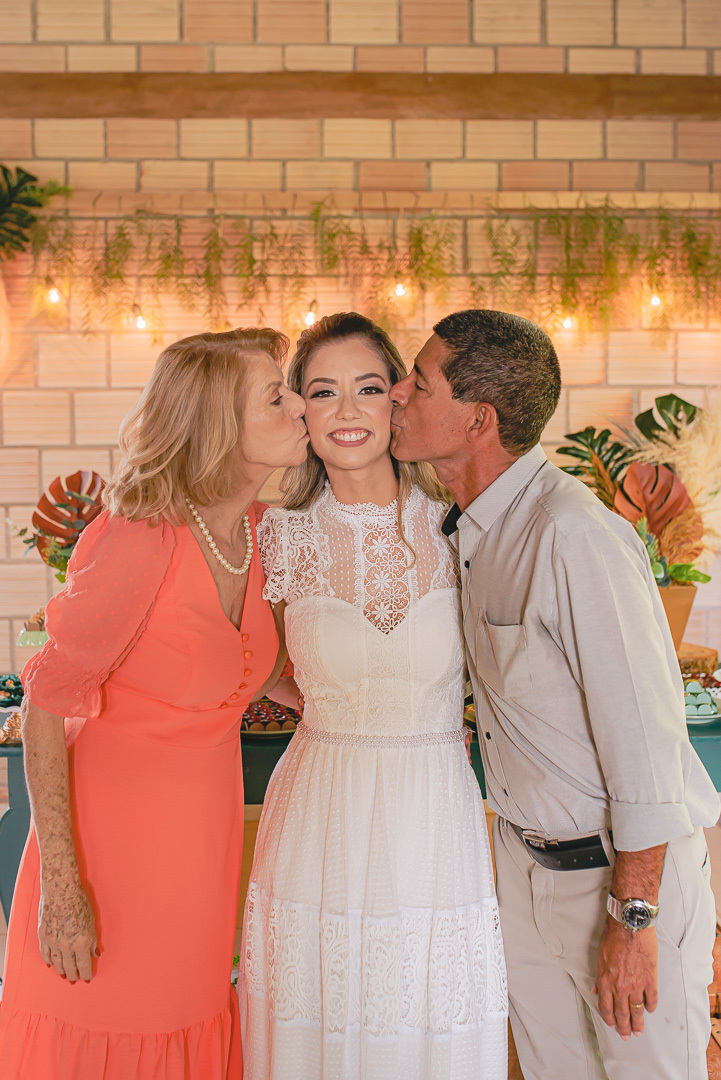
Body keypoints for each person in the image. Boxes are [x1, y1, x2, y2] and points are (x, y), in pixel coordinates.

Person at [389, 307, 720, 1080]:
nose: (398, 394)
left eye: (418, 382)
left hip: (615, 884)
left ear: (478, 420)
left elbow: (646, 749)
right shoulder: (464, 530)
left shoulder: (573, 536)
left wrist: (632, 920)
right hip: (521, 870)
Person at [0, 328, 309, 1079]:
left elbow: (267, 671)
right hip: (106, 854)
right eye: (275, 398)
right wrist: (62, 888)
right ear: (218, 425)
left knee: (188, 1021)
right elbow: (46, 705)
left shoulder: (260, 534)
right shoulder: (139, 537)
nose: (299, 406)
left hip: (199, 850)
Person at [238, 312, 508, 1080]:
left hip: (433, 811)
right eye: (324, 391)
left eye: (366, 387)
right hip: (322, 806)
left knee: (421, 1014)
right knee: (321, 1016)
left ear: (397, 399)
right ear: (301, 409)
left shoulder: (459, 526)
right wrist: (335, 706)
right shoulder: (276, 535)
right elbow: (256, 661)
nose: (347, 410)